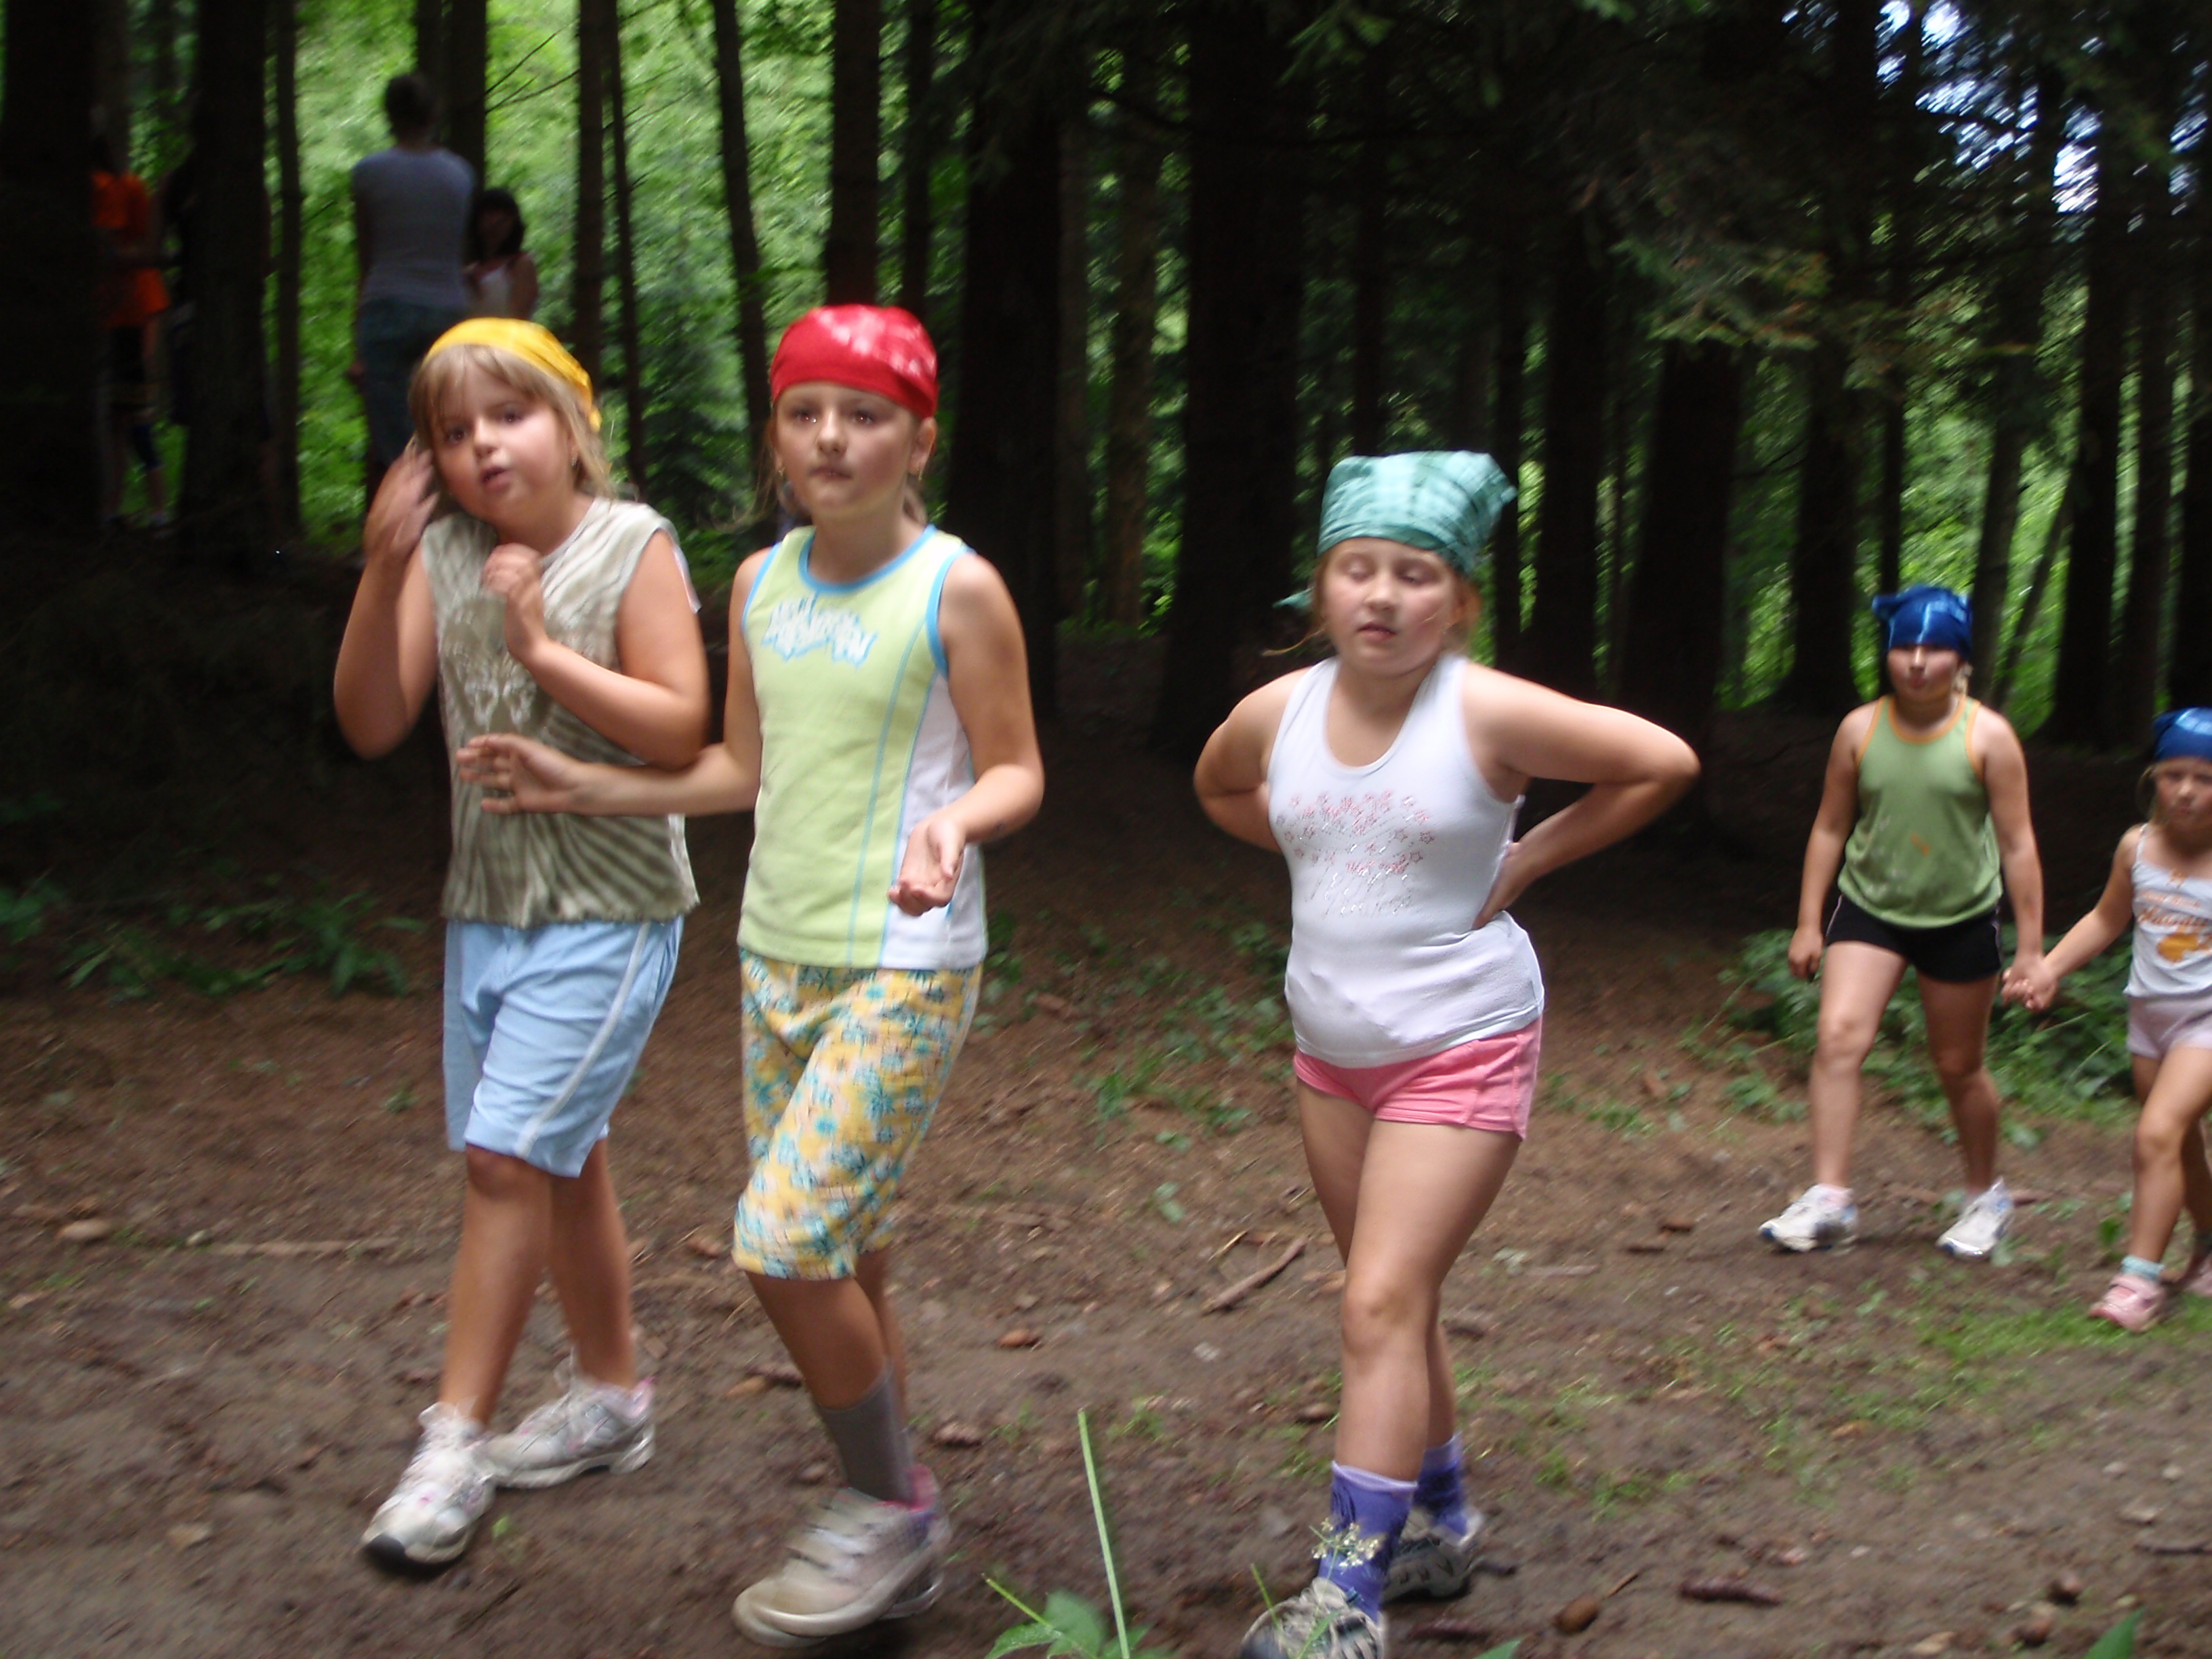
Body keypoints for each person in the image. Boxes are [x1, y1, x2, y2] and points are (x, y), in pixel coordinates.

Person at [455, 305, 1044, 1645]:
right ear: (776, 435)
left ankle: (888, 1506)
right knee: (847, 1250)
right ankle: (897, 1528)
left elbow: (1017, 765)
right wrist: (574, 782)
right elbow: (736, 769)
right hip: (774, 956)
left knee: (781, 1242)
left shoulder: (956, 586)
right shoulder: (761, 584)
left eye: (865, 415)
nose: (831, 438)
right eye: (803, 413)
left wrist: (955, 824)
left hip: (904, 962)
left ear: (918, 441)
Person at [1193, 453, 1700, 1659]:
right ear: (1321, 587)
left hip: (1460, 1042)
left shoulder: (1484, 711)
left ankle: (1345, 1599)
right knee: (1392, 1294)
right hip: (1330, 1049)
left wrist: (1531, 857)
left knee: (1375, 1297)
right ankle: (1441, 1516)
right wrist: (1316, 845)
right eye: (1357, 569)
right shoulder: (1279, 712)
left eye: (1414, 575)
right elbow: (1219, 787)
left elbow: (1662, 761)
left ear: (1458, 598)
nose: (1381, 595)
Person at [332, 319, 711, 1568]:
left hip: (609, 906)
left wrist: (542, 649)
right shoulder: (441, 553)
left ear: (571, 422)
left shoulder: (632, 543)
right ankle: (610, 1396)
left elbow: (680, 726)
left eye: (509, 414)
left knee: (504, 1159)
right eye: (453, 431)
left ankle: (451, 1449)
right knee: (562, 1154)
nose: (483, 446)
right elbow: (372, 720)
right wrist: (382, 566)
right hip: (485, 908)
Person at [1762, 586, 2044, 1258]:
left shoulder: (1989, 736)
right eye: (1905, 648)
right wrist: (1808, 922)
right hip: (1871, 906)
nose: (1917, 662)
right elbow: (1830, 826)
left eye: (1935, 649)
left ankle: (1984, 1198)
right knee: (1837, 1039)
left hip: (1960, 915)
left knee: (1958, 1066)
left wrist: (2032, 950)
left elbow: (2018, 845)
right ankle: (1830, 1199)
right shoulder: (1860, 730)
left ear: (1962, 660)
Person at [2009, 709, 2212, 1331]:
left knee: (2156, 1134)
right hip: (2148, 1019)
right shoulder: (2137, 847)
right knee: (2177, 1142)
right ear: (2153, 778)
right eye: (2173, 775)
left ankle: (2138, 1281)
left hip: (2206, 1023)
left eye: (2205, 778)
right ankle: (2209, 1244)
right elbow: (2107, 918)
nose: (2186, 790)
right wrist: (2048, 968)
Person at [351, 73, 475, 503]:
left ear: (389, 115)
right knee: (447, 424)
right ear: (434, 114)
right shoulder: (460, 174)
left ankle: (405, 524)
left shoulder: (368, 173)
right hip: (446, 309)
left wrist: (356, 339)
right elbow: (456, 249)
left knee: (393, 440)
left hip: (385, 307)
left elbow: (366, 258)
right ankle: (451, 520)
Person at [93, 136, 170, 527]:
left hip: (130, 315)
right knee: (116, 422)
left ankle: (158, 511)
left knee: (137, 422)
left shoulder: (113, 186)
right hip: (120, 314)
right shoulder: (119, 186)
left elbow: (125, 242)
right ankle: (113, 507)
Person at [466, 188, 539, 321]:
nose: (495, 222)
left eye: (504, 217)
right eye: (489, 214)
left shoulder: (521, 265)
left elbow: (519, 318)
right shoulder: (469, 272)